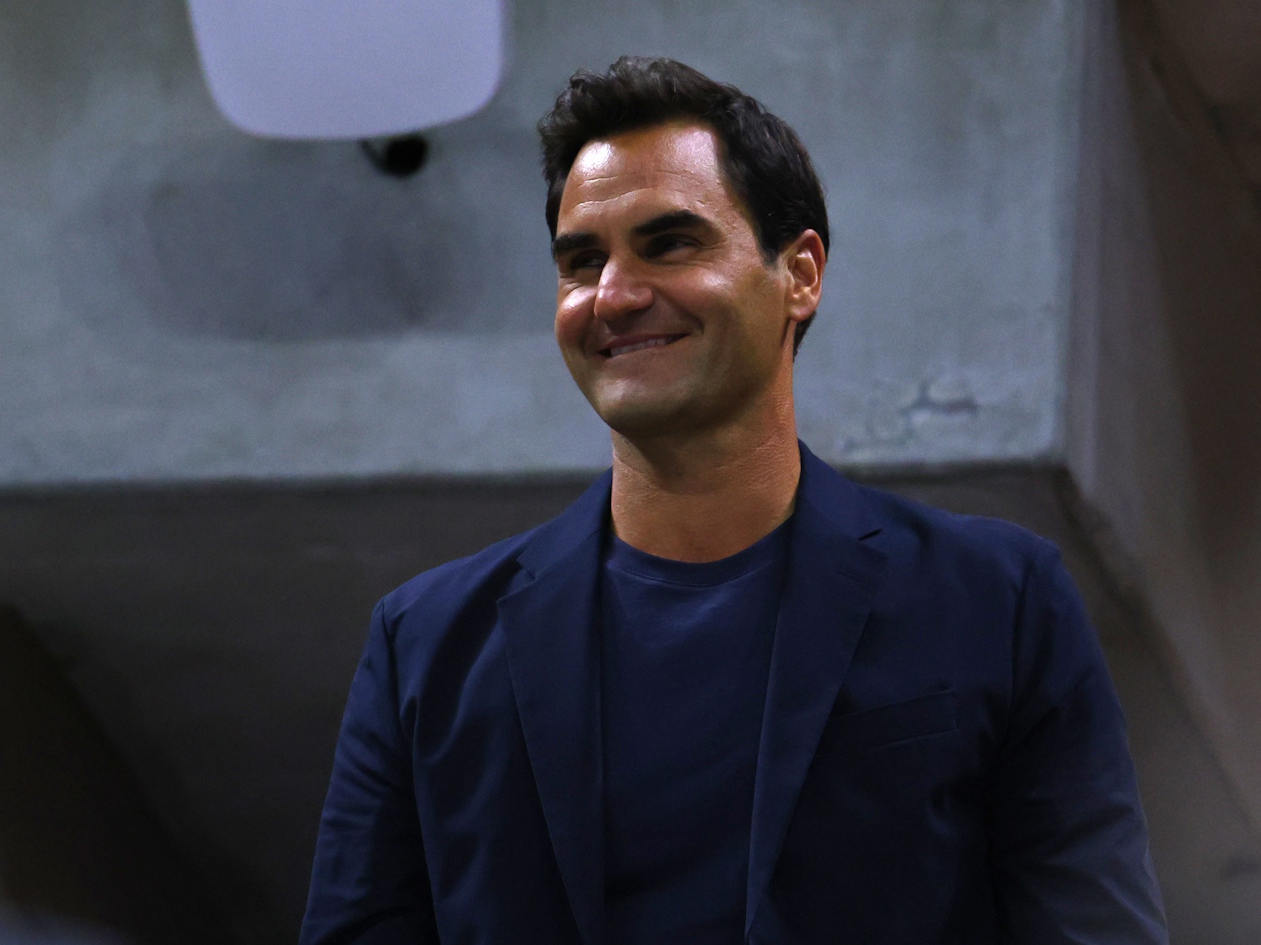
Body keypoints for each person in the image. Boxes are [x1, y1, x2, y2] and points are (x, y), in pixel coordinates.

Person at [300, 57, 1168, 945]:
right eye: (581, 261)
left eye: (670, 243)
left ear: (800, 274)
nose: (614, 295)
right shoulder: (427, 646)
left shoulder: (998, 599)